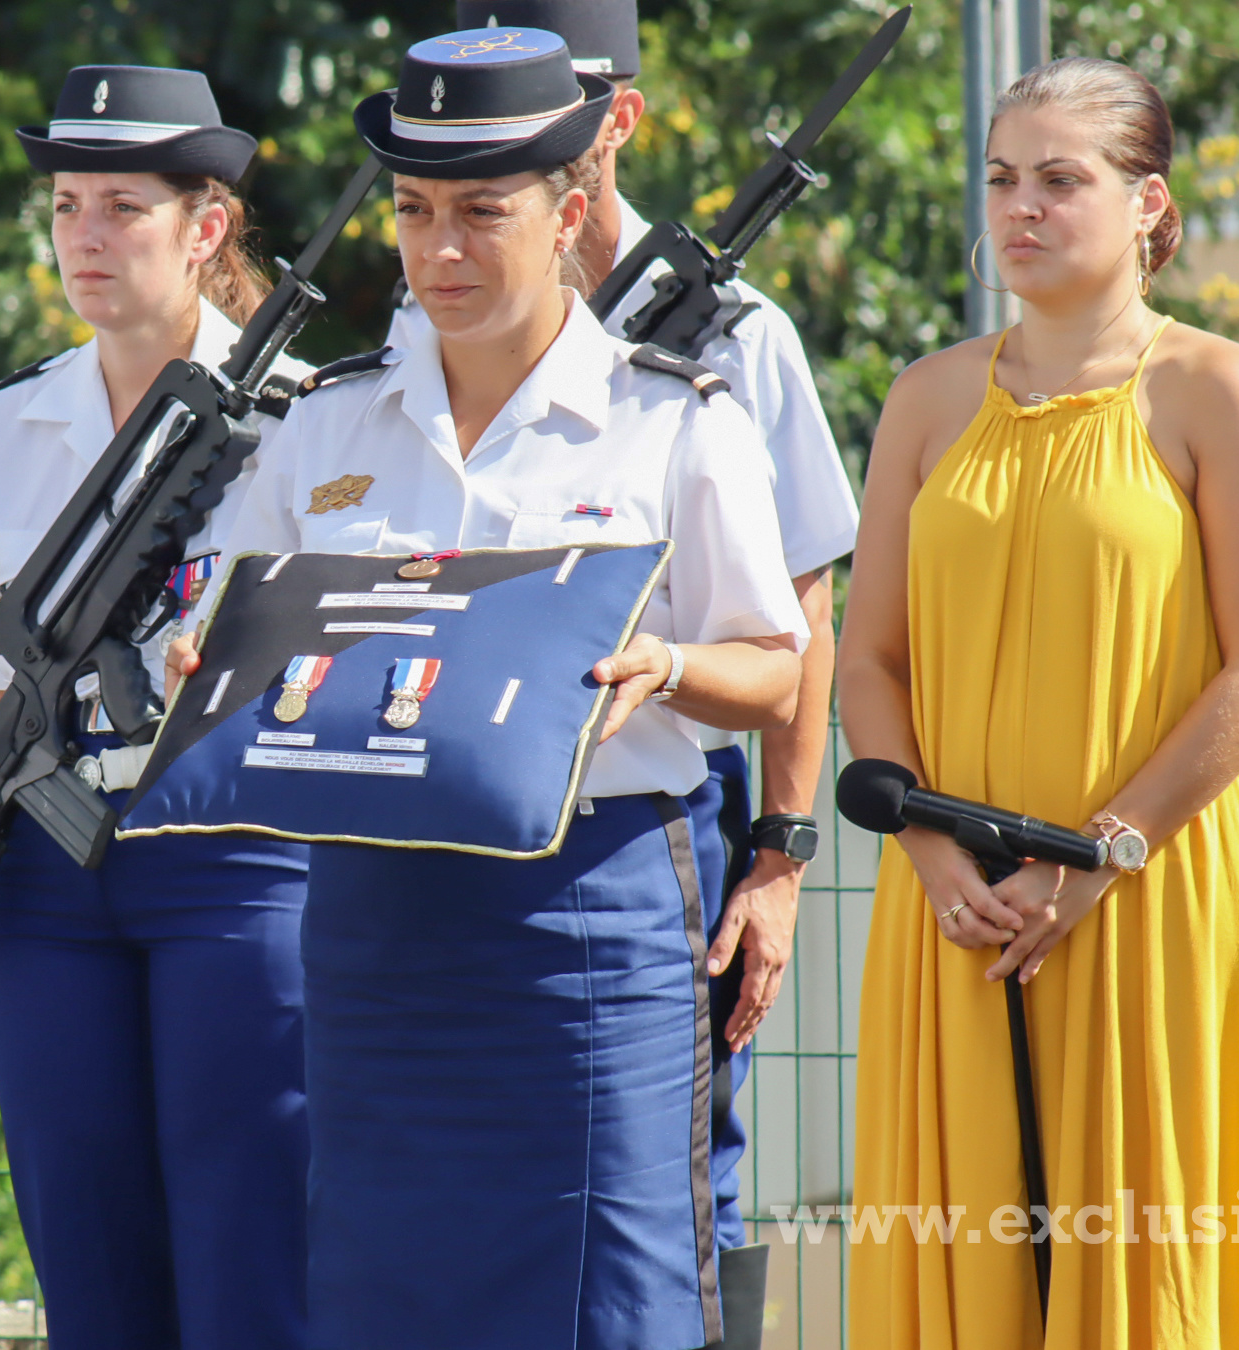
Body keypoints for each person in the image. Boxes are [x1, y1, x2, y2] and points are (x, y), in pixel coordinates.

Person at [191, 30, 805, 1347]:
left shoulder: (676, 418)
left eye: (483, 212)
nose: (441, 249)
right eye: (416, 213)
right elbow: (246, 629)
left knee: (614, 1290)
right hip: (375, 918)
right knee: (385, 1284)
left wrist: (678, 666)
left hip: (589, 911)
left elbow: (776, 665)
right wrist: (218, 664)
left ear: (570, 209)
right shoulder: (327, 424)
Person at [840, 57, 1239, 1343]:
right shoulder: (925, 396)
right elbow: (867, 659)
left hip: (1152, 890)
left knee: (1156, 1247)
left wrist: (1099, 854)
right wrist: (930, 845)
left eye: (1063, 179)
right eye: (1004, 177)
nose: (1024, 206)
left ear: (1148, 204)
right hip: (955, 901)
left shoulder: (1218, 388)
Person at [414, 0, 857, 1288]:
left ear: (620, 118)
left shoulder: (737, 331)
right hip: (466, 777)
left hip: (674, 774)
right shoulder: (441, 308)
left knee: (672, 1168)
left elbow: (800, 612)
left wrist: (779, 856)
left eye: (573, 96)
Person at [0, 65, 315, 1350]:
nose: (85, 237)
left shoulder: (313, 419)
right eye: (67, 206)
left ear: (206, 229)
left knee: (250, 1251)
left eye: (122, 208)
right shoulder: (11, 421)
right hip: (43, 875)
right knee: (88, 1258)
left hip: (238, 859)